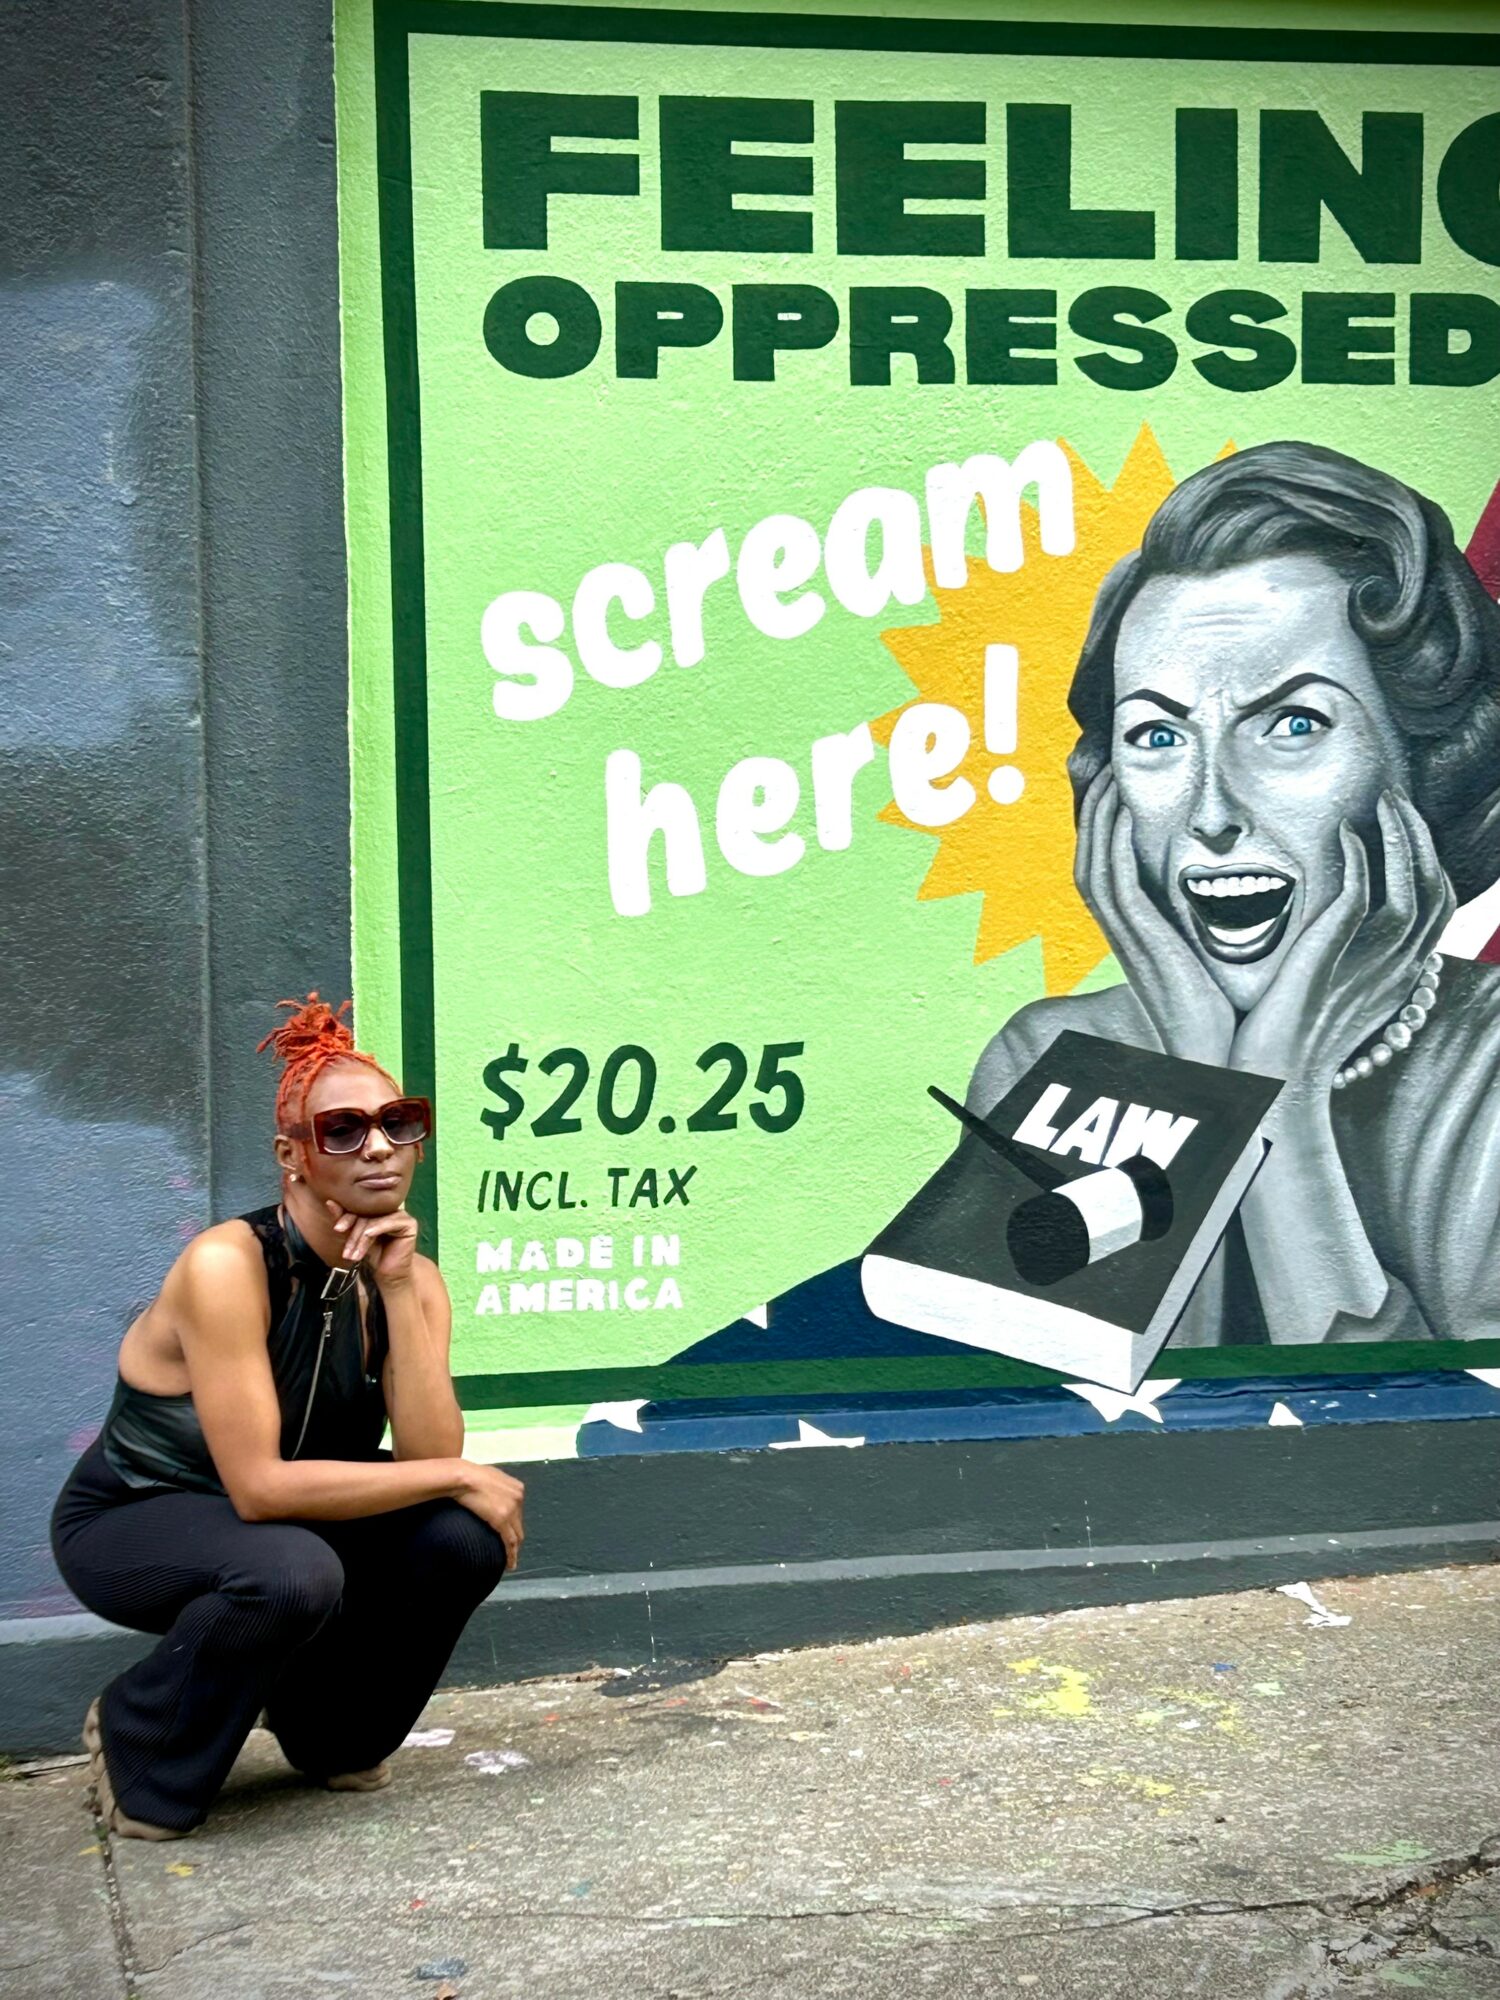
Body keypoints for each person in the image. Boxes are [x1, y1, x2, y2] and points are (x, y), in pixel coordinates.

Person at [661, 441, 1500, 1379]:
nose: (1212, 812)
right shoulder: (1050, 1058)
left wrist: (1283, 1096)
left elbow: (1396, 1454)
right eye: (1157, 735)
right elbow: (1094, 1418)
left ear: (1429, 761)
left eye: (1292, 724)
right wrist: (1199, 1074)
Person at [51, 995, 526, 1839]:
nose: (378, 1145)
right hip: (140, 1514)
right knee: (295, 1571)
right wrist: (458, 1474)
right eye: (342, 1130)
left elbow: (426, 1448)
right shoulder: (227, 1266)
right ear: (292, 1157)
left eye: (398, 1122)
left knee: (461, 1537)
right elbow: (262, 1488)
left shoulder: (416, 1278)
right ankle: (138, 1734)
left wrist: (395, 1287)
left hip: (291, 1522)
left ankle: (332, 1735)